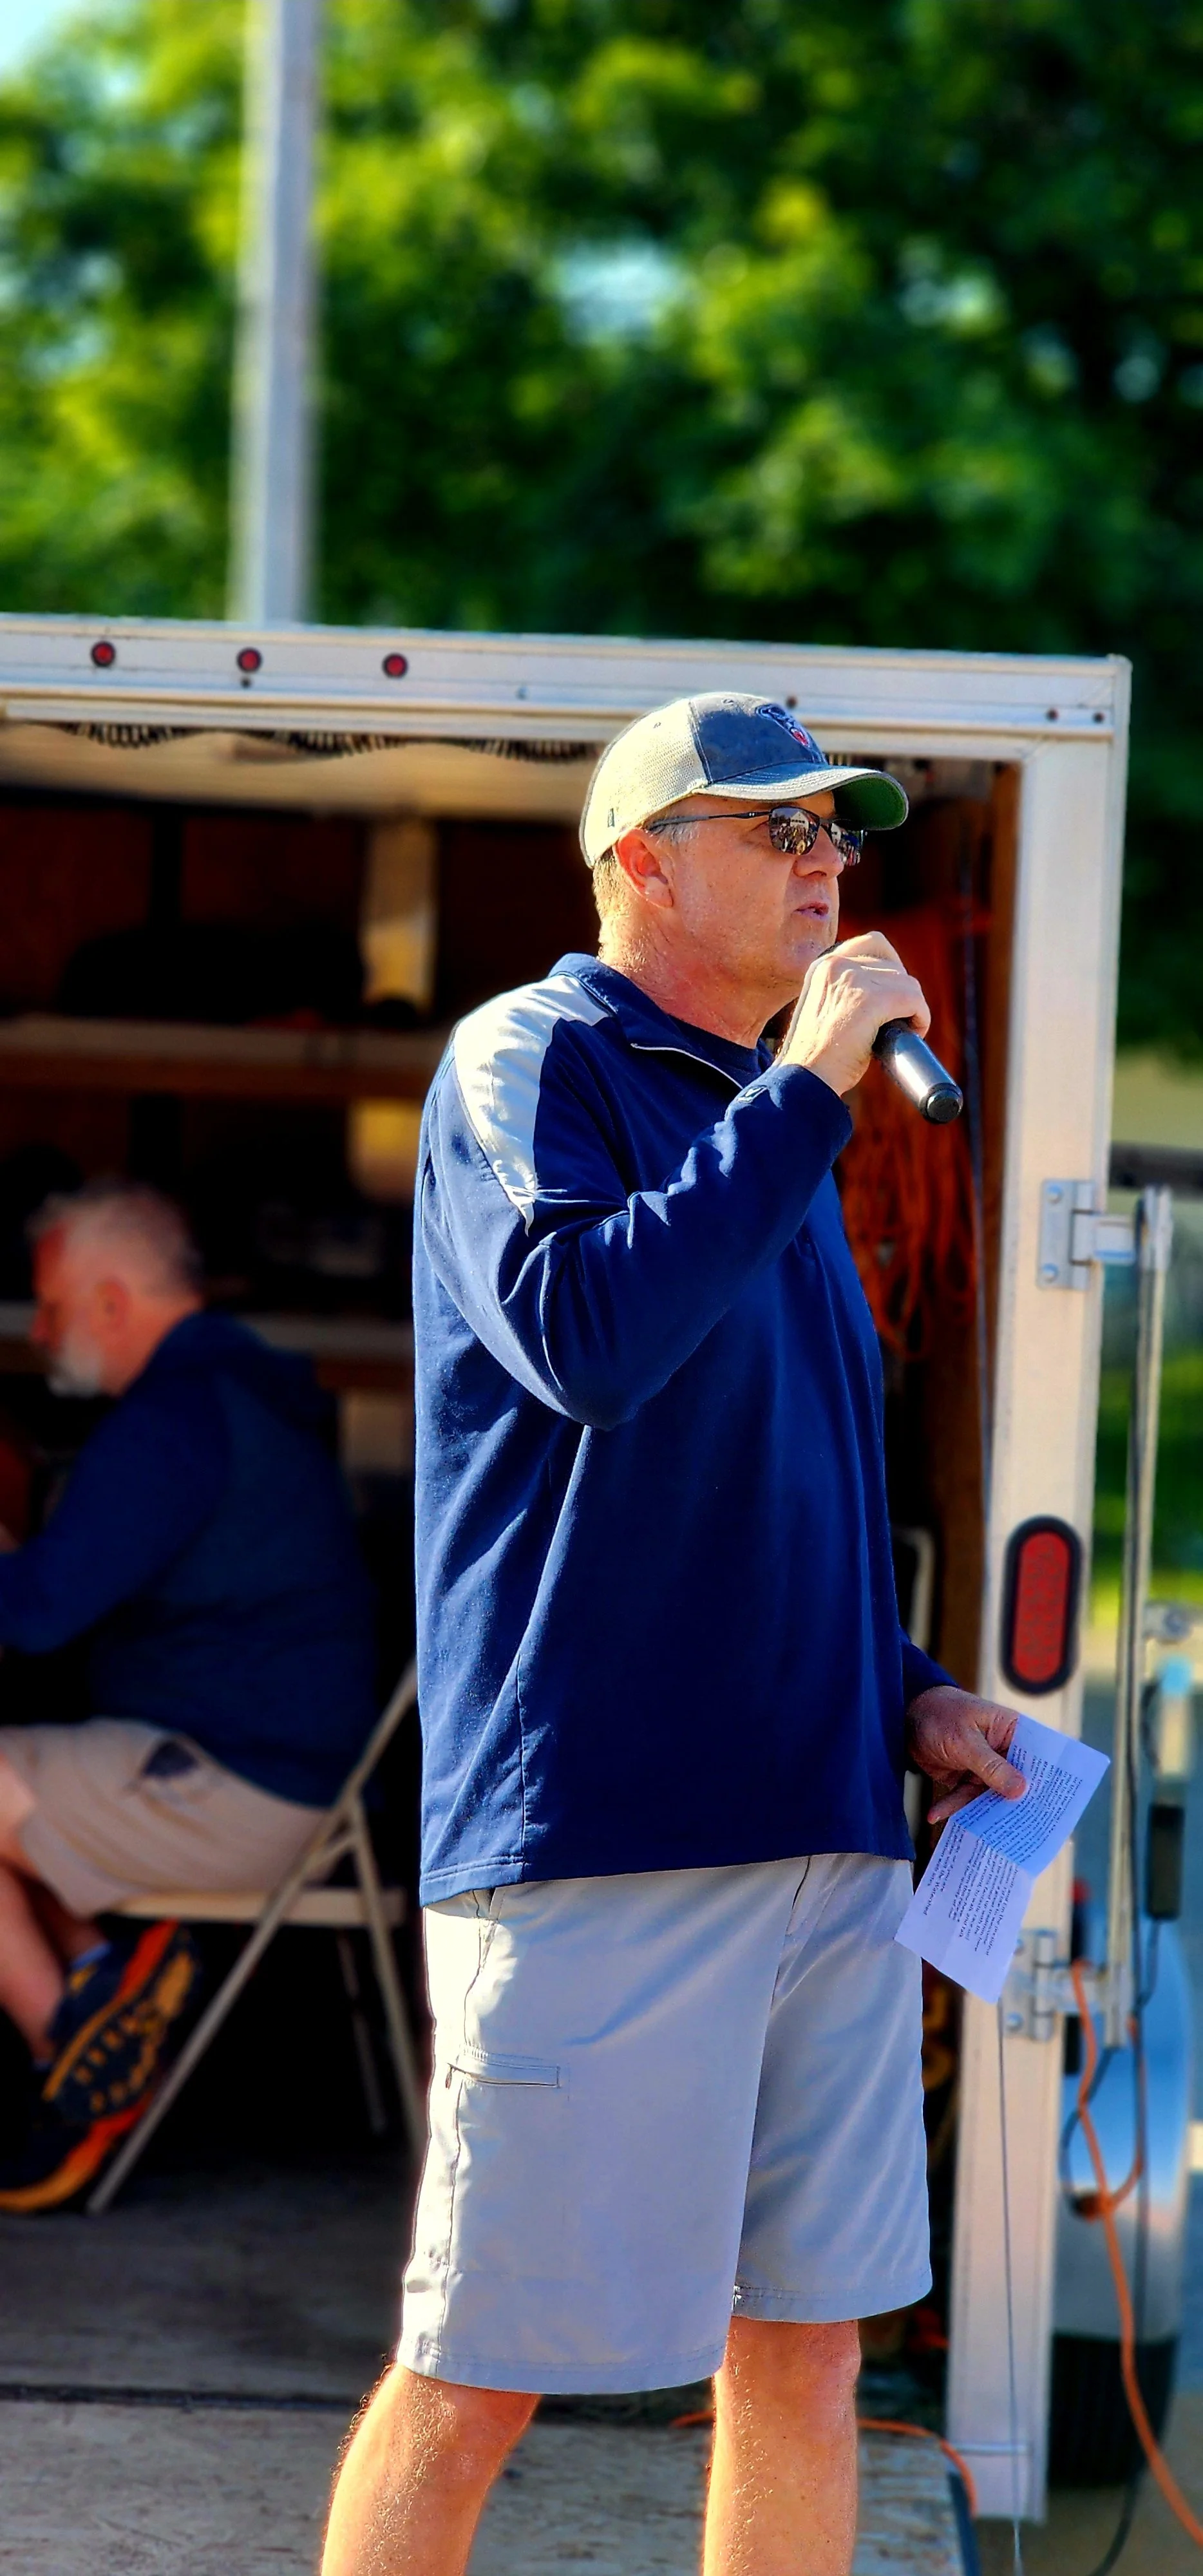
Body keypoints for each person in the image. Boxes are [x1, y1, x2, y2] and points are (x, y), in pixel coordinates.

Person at [321, 694, 1027, 2576]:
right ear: (638, 860)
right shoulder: (532, 1057)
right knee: (479, 2369)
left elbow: (773, 1490)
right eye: (775, 829)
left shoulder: (776, 1124)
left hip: (827, 1837)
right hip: (604, 1836)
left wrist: (913, 1694)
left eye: (838, 834)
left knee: (806, 2358)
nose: (827, 864)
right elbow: (589, 1344)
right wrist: (805, 1088)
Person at [0, 1180, 377, 2210]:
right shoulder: (238, 1393)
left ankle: (80, 2054)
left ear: (113, 1302)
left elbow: (36, 1617)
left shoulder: (174, 1421)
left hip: (234, 1789)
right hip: (292, 1785)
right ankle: (100, 1990)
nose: (41, 1334)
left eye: (54, 1306)